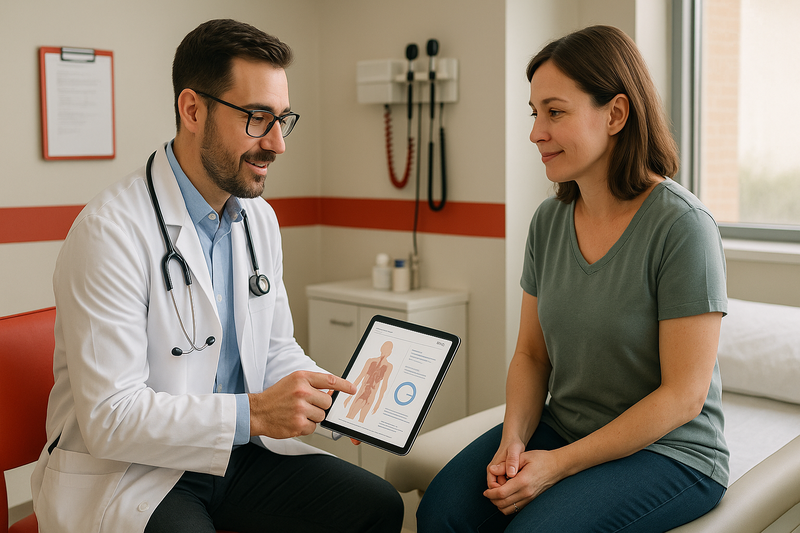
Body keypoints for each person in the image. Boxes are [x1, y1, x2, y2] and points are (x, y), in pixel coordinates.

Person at [31, 19, 403, 533]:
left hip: (235, 454)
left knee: (378, 505)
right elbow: (111, 419)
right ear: (192, 110)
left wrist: (333, 399)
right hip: (136, 469)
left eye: (282, 119)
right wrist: (254, 414)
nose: (277, 144)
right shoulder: (109, 231)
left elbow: (275, 351)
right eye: (257, 118)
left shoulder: (258, 220)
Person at [417, 25, 728, 533]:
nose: (536, 132)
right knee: (441, 512)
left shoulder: (682, 226)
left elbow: (683, 396)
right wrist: (514, 441)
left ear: (616, 114)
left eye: (555, 112)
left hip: (671, 451)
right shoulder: (549, 221)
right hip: (565, 426)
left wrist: (557, 465)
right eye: (534, 113)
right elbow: (531, 355)